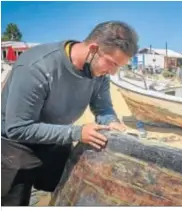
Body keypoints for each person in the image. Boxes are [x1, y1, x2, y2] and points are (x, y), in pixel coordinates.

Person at [1, 21, 139, 206]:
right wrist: (76, 133)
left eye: (119, 67)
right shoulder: (37, 66)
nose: (113, 72)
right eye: (112, 63)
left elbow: (103, 107)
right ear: (93, 48)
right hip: (14, 142)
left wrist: (111, 120)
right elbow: (18, 127)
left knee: (64, 188)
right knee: (14, 199)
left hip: (57, 136)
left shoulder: (100, 74)